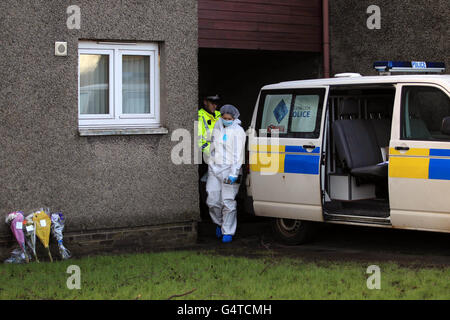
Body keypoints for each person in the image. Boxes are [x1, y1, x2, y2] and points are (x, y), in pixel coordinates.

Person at [206, 104, 246, 243]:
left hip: (231, 170)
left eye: (229, 118)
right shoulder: (218, 127)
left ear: (234, 118)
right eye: (224, 117)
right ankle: (218, 223)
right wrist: (211, 163)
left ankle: (228, 231)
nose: (226, 120)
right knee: (212, 200)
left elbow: (239, 155)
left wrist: (234, 173)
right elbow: (212, 146)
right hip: (215, 169)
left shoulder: (238, 131)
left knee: (227, 201)